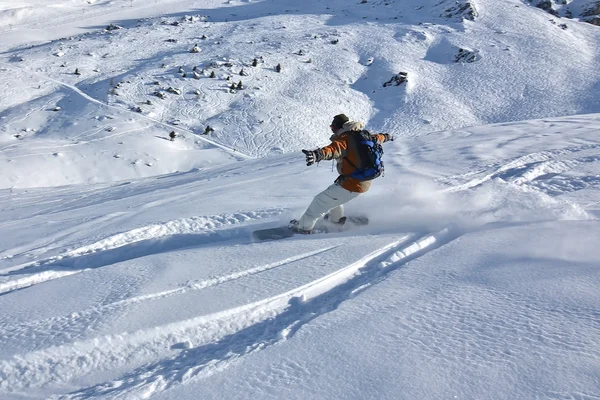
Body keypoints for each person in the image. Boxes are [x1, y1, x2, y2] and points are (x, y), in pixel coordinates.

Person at [290, 114, 393, 233]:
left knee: (320, 201)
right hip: (363, 180)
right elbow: (379, 138)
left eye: (333, 128)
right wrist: (387, 136)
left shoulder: (345, 138)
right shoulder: (364, 135)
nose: (333, 131)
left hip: (352, 183)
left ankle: (303, 228)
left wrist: (317, 155)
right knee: (333, 198)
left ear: (339, 127)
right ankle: (336, 221)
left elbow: (333, 149)